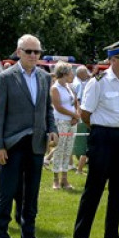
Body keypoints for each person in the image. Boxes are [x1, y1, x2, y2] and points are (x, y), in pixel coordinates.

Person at [0, 34, 57, 238]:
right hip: (12, 143)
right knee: (7, 193)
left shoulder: (44, 77)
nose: (33, 55)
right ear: (18, 52)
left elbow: (47, 108)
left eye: (37, 52)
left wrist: (52, 129)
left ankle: (29, 237)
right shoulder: (6, 77)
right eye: (28, 51)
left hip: (36, 143)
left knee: (32, 195)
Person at [74, 40, 119, 238]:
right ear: (113, 59)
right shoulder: (98, 81)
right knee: (94, 187)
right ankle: (80, 236)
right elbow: (85, 113)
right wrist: (99, 130)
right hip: (103, 136)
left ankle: (112, 234)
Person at [50, 62, 80, 190]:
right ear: (64, 74)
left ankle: (65, 179)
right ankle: (55, 179)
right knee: (59, 149)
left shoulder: (69, 87)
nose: (73, 75)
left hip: (72, 122)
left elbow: (75, 102)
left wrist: (75, 116)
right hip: (60, 121)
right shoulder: (55, 88)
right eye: (71, 72)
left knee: (68, 150)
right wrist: (74, 115)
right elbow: (58, 107)